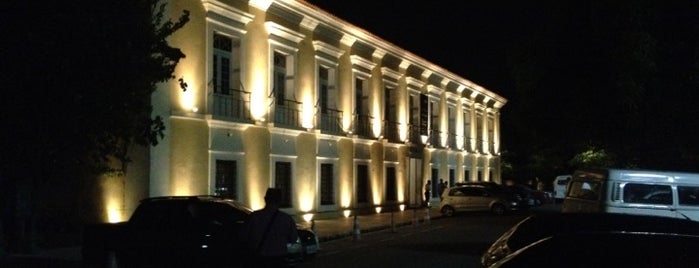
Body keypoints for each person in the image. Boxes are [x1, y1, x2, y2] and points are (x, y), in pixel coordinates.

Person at [243, 188, 299, 268]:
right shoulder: (286, 219)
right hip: (279, 257)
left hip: (260, 257)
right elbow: (293, 238)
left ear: (265, 199)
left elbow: (245, 236)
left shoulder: (254, 217)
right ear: (280, 201)